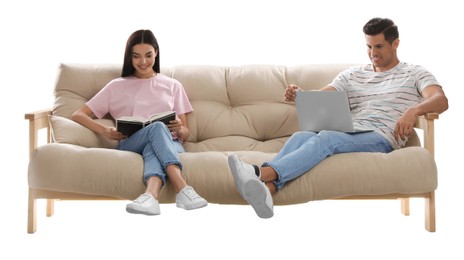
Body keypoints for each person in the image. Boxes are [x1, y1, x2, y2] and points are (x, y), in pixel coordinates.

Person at [227, 17, 449, 219]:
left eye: (379, 46)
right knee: (301, 135)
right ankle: (268, 191)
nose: (373, 53)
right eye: (369, 46)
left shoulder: (414, 73)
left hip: (381, 136)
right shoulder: (353, 74)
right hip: (350, 131)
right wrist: (300, 95)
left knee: (326, 138)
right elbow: (323, 97)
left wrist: (413, 111)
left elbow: (440, 100)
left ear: (395, 43)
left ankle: (258, 173)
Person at [72, 29, 207, 215]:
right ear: (129, 57)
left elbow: (185, 133)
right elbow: (78, 114)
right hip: (131, 143)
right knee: (157, 128)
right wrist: (105, 131)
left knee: (155, 143)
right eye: (136, 56)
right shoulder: (116, 86)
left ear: (156, 53)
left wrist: (179, 128)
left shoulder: (173, 85)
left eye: (148, 55)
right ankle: (183, 189)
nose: (143, 62)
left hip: (171, 143)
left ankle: (150, 196)